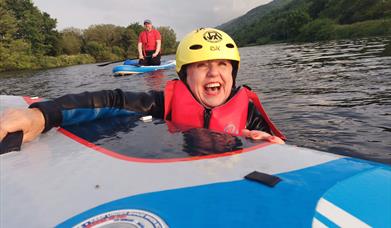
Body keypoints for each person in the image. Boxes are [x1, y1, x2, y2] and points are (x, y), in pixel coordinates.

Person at [0, 28, 286, 145]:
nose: (214, 73)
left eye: (223, 65)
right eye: (201, 65)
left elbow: (285, 155)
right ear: (185, 75)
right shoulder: (161, 103)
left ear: (233, 73)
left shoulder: (249, 114)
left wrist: (274, 149)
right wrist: (42, 114)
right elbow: (109, 99)